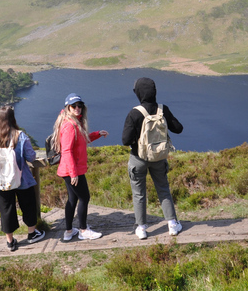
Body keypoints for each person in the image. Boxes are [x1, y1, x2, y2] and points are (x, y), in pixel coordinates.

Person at [121, 77, 184, 240]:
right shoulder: (163, 109)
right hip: (159, 157)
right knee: (163, 190)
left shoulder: (134, 113)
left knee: (139, 193)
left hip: (138, 158)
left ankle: (141, 228)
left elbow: (125, 140)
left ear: (139, 93)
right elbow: (179, 128)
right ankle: (172, 224)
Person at [0, 105, 45, 251]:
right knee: (28, 205)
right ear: (13, 118)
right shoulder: (20, 136)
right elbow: (31, 156)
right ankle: (31, 234)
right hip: (22, 179)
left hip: (0, 182)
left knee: (6, 209)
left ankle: (10, 241)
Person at [51, 93, 108, 241]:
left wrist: (97, 134)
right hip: (72, 170)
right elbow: (67, 150)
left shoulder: (74, 122)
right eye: (74, 106)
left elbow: (82, 140)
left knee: (72, 200)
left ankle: (69, 232)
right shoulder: (70, 125)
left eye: (79, 105)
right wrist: (74, 173)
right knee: (84, 198)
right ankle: (83, 230)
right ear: (68, 108)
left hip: (69, 169)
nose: (77, 108)